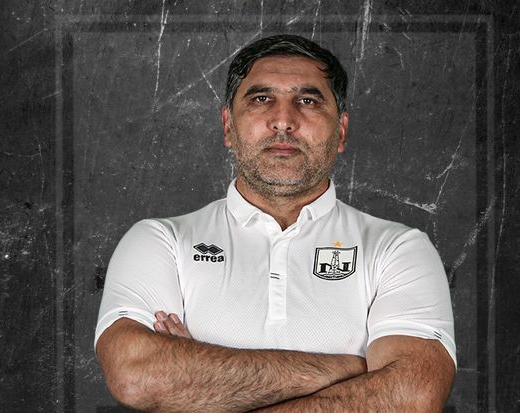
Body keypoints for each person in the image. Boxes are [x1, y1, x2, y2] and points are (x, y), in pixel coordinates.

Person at [95, 34, 456, 412]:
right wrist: (355, 370)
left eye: (308, 101)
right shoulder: (161, 241)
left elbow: (412, 394)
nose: (283, 120)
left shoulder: (397, 249)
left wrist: (196, 379)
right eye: (261, 99)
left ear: (341, 131)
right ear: (228, 126)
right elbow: (136, 374)